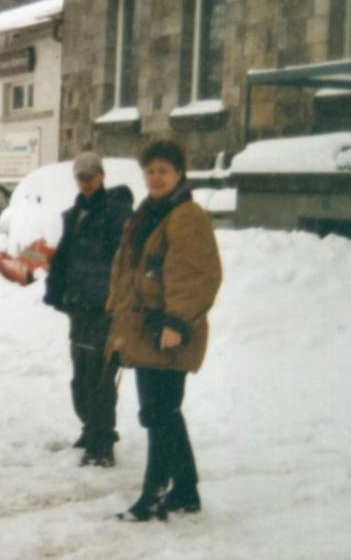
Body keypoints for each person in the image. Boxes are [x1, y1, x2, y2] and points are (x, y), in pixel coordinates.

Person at [105, 139, 222, 521]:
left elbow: (196, 275)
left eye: (163, 171)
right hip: (146, 329)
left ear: (179, 174)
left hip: (168, 331)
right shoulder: (151, 212)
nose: (155, 178)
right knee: (163, 412)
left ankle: (152, 498)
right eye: (150, 171)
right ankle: (186, 491)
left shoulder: (186, 215)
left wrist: (176, 322)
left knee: (159, 412)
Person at [43, 151, 133, 467]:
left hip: (103, 309)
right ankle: (90, 428)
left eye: (90, 177)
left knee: (100, 376)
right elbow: (65, 257)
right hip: (79, 308)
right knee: (81, 375)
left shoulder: (115, 213)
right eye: (80, 178)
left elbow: (120, 263)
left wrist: (115, 301)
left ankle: (103, 441)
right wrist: (57, 291)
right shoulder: (77, 213)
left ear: (102, 177)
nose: (85, 184)